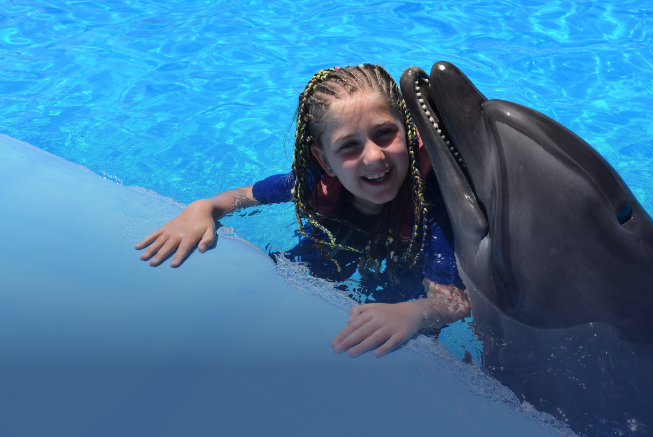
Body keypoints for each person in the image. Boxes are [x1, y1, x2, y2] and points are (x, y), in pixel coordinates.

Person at [135, 64, 470, 358]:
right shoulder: (312, 184)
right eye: (349, 145)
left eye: (384, 133)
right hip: (334, 246)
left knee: (406, 329)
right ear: (325, 160)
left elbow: (453, 301)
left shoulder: (431, 204)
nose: (373, 157)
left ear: (408, 132)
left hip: (403, 270)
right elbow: (240, 197)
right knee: (280, 284)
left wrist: (414, 313)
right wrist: (203, 207)